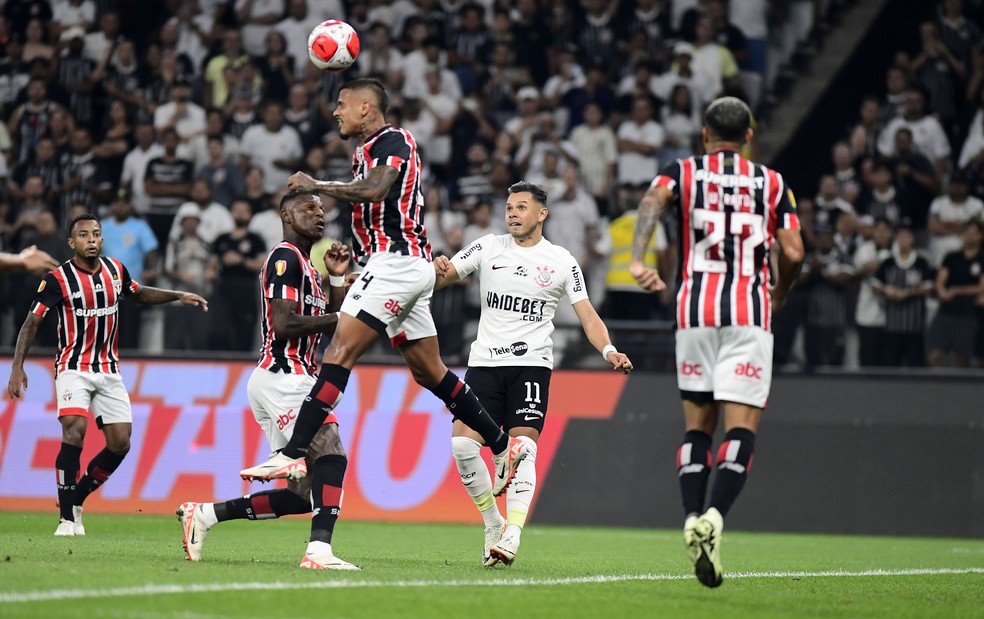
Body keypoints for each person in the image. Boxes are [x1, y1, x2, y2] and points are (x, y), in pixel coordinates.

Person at [240, 78, 530, 500]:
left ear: (365, 107)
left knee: (340, 350)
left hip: (396, 264)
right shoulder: (364, 151)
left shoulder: (393, 139)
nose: (335, 112)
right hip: (398, 266)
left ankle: (293, 452)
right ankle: (503, 446)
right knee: (429, 371)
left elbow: (376, 189)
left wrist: (316, 185)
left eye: (342, 104)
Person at [628, 97, 805, 588]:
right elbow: (793, 251)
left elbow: (651, 202)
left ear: (704, 135)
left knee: (698, 428)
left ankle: (690, 517)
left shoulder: (682, 172)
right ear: (749, 136)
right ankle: (714, 517)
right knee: (741, 427)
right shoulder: (773, 183)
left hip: (695, 313)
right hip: (749, 315)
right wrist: (779, 293)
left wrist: (638, 259)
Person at [433, 181, 633, 567]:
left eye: (521, 207)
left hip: (531, 366)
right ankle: (493, 523)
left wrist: (609, 350)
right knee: (462, 447)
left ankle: (512, 533)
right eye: (509, 207)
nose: (512, 213)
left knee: (523, 448)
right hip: (484, 364)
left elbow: (587, 314)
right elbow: (443, 277)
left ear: (542, 214)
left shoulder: (561, 261)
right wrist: (437, 268)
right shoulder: (487, 247)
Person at [177, 190, 360, 570]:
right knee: (332, 455)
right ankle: (319, 552)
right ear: (286, 216)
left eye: (321, 209)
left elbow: (333, 329)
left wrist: (337, 280)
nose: (319, 214)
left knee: (302, 495)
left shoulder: (309, 268)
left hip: (285, 378)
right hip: (284, 375)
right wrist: (341, 318)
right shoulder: (284, 257)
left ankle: (205, 514)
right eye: (308, 208)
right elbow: (284, 323)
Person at [6, 213, 207, 536]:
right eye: (83, 235)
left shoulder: (115, 270)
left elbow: (138, 292)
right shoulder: (58, 279)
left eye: (96, 234)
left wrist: (177, 296)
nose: (91, 240)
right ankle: (66, 518)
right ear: (72, 243)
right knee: (74, 431)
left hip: (108, 368)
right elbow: (32, 323)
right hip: (73, 367)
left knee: (120, 443)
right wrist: (18, 366)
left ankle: (77, 497)